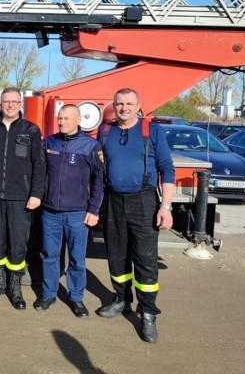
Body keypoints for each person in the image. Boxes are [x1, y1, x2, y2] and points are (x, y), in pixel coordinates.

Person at [97, 88, 175, 343]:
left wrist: (166, 207)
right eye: (119, 103)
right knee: (116, 256)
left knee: (145, 260)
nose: (124, 108)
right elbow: (96, 168)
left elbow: (167, 169)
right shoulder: (105, 131)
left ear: (138, 106)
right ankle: (121, 299)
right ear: (114, 106)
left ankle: (148, 314)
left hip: (144, 201)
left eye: (129, 104)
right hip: (113, 201)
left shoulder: (152, 130)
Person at [34, 105, 104, 317]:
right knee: (50, 255)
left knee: (77, 258)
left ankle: (76, 298)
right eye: (60, 118)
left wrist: (94, 210)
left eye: (66, 118)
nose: (61, 122)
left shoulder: (91, 146)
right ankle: (48, 294)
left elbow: (100, 180)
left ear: (78, 119)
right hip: (50, 212)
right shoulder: (50, 142)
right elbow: (40, 172)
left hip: (77, 213)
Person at [0, 87, 45, 310]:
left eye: (14, 102)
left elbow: (39, 164)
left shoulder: (31, 131)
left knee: (18, 242)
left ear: (20, 105)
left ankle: (15, 285)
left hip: (21, 197)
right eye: (6, 101)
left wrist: (36, 193)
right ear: (0, 104)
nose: (10, 105)